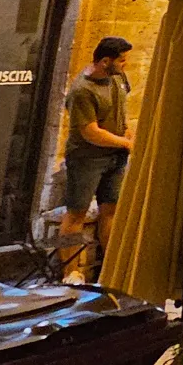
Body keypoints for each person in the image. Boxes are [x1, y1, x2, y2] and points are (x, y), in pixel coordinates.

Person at [60, 36, 133, 284]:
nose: (126, 65)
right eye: (122, 60)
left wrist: (127, 134)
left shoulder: (118, 78)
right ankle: (70, 272)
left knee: (110, 210)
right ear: (105, 61)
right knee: (76, 213)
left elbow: (123, 110)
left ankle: (110, 268)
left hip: (116, 157)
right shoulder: (83, 90)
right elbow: (90, 132)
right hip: (87, 159)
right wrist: (126, 143)